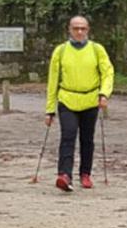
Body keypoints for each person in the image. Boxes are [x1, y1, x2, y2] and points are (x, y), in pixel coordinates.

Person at [45, 15, 114, 192]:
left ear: (88, 30)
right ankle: (64, 174)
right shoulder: (60, 51)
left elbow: (107, 72)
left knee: (87, 138)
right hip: (67, 99)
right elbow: (53, 81)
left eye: (83, 28)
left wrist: (104, 93)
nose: (79, 32)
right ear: (69, 30)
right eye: (76, 28)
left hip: (90, 99)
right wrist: (50, 109)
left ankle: (85, 173)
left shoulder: (97, 50)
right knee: (68, 135)